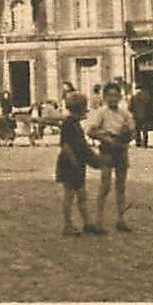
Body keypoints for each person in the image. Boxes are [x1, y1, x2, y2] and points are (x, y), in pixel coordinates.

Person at [84, 81, 137, 233]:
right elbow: (90, 131)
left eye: (116, 95)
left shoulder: (124, 113)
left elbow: (133, 130)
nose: (113, 99)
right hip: (107, 150)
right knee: (105, 185)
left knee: (121, 186)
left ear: (120, 97)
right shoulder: (101, 112)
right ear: (105, 97)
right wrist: (107, 138)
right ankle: (98, 220)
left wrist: (128, 135)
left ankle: (121, 219)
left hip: (121, 149)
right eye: (110, 96)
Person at [55, 92, 101, 236]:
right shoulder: (69, 124)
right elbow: (65, 145)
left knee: (81, 194)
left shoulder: (74, 123)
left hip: (77, 163)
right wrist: (74, 160)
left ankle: (87, 223)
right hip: (69, 163)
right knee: (69, 195)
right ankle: (67, 225)